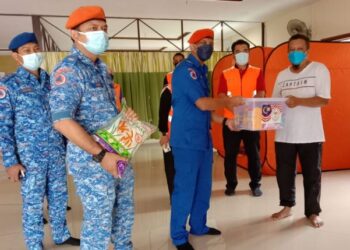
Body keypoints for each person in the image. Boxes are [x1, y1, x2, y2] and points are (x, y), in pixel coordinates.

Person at [49, 6, 137, 249]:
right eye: (93, 29)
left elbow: (100, 115)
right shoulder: (69, 70)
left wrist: (123, 119)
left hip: (118, 154)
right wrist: (101, 155)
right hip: (93, 161)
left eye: (104, 28)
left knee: (124, 214)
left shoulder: (101, 68)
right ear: (75, 35)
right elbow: (62, 121)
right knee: (98, 223)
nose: (102, 33)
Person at [0, 32, 79, 249]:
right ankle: (34, 243)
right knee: (33, 204)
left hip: (55, 152)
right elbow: (3, 127)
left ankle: (61, 234)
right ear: (16, 56)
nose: (33, 54)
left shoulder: (51, 81)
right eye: (26, 51)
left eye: (35, 49)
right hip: (29, 159)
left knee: (59, 197)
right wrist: (10, 162)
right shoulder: (8, 85)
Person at [170, 28, 244, 250]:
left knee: (203, 186)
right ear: (192, 46)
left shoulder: (202, 71)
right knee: (185, 188)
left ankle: (199, 226)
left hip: (202, 139)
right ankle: (178, 236)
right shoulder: (185, 71)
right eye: (202, 42)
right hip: (186, 141)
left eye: (210, 42)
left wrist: (225, 121)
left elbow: (207, 110)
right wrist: (228, 103)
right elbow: (203, 103)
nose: (207, 46)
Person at [271, 34, 331, 228]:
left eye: (299, 49)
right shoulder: (282, 75)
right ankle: (287, 206)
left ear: (307, 50)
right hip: (284, 134)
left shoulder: (319, 69)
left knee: (312, 175)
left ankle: (313, 212)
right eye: (291, 49)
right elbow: (274, 103)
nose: (295, 52)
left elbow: (324, 100)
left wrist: (299, 101)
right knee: (284, 174)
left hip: (310, 134)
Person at [217, 39, 265, 197]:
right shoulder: (225, 74)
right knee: (230, 154)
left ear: (249, 53)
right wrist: (236, 112)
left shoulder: (258, 71)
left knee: (254, 154)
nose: (242, 54)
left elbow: (261, 93)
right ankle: (231, 185)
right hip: (231, 121)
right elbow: (222, 96)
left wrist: (248, 112)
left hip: (252, 119)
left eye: (245, 50)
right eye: (238, 51)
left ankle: (255, 184)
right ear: (233, 54)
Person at [158, 52, 185, 199]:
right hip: (171, 134)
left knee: (187, 168)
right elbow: (163, 112)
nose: (179, 63)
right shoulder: (168, 88)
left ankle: (186, 196)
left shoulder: (194, 80)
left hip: (189, 134)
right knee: (171, 167)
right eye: (176, 62)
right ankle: (174, 196)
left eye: (181, 61)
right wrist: (163, 134)